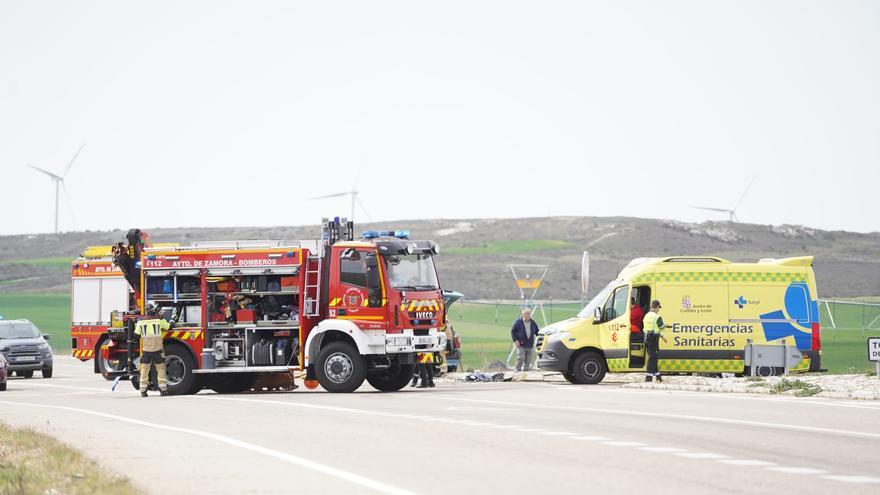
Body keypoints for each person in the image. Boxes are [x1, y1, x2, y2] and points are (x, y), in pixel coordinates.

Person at [135, 302, 175, 397]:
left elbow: (136, 336)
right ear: (154, 310)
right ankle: (163, 390)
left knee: (144, 370)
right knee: (161, 369)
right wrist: (173, 320)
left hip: (146, 351)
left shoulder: (141, 322)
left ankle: (143, 390)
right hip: (158, 350)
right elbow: (169, 327)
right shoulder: (159, 321)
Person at [642, 300, 668, 383]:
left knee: (653, 357)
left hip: (647, 338)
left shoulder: (646, 316)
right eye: (658, 308)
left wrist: (661, 336)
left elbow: (650, 328)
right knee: (653, 358)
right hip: (653, 339)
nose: (658, 310)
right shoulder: (657, 317)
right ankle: (648, 377)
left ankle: (658, 377)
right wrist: (665, 326)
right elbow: (662, 327)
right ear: (657, 307)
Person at [511, 308, 540, 372]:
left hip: (529, 344)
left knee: (528, 360)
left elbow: (537, 332)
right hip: (520, 344)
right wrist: (515, 340)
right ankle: (517, 370)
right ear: (523, 314)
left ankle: (526, 372)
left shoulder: (533, 322)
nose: (528, 315)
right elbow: (512, 331)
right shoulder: (518, 322)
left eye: (529, 313)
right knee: (521, 357)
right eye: (526, 313)